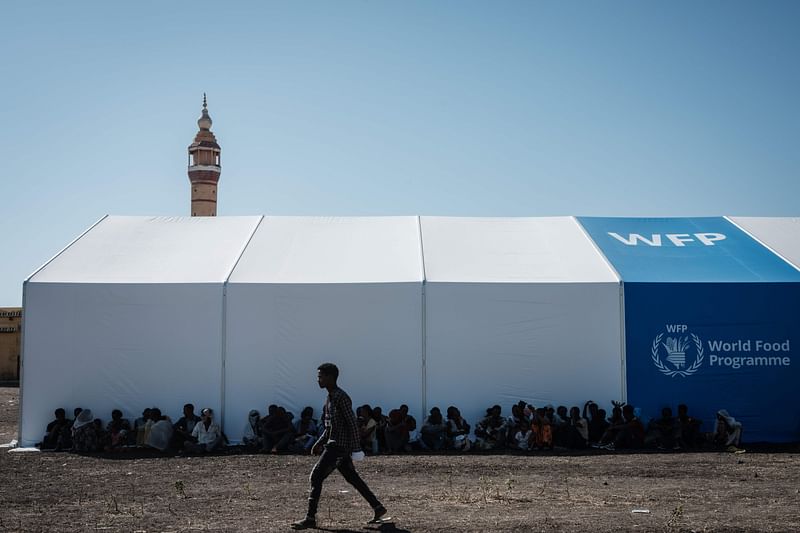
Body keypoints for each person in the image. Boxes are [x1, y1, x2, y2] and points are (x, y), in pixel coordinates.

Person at [291, 363, 387, 530]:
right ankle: (378, 507)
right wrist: (318, 442)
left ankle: (310, 518)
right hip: (335, 445)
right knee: (352, 478)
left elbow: (351, 423)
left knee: (316, 477)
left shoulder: (340, 397)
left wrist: (356, 447)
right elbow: (329, 426)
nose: (318, 379)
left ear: (330, 377)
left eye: (321, 376)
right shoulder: (330, 397)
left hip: (338, 447)